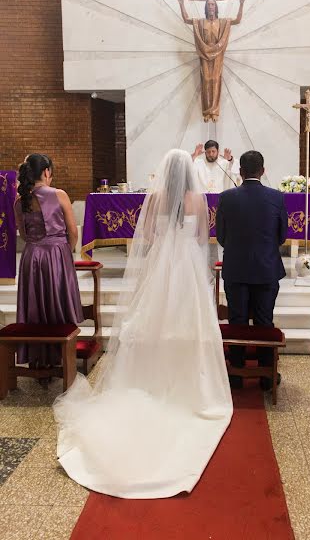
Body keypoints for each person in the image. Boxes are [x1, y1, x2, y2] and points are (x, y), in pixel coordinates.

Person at [53, 149, 233, 499]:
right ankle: (187, 382)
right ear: (189, 172)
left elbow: (146, 236)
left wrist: (165, 245)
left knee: (153, 323)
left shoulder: (158, 197)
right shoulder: (197, 200)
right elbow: (201, 240)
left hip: (162, 265)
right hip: (188, 269)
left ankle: (152, 379)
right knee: (188, 325)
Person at [216, 150, 288, 389]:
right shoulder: (276, 197)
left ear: (240, 171)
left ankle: (235, 374)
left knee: (237, 320)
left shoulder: (226, 198)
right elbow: (281, 236)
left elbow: (222, 237)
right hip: (266, 268)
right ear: (263, 171)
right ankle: (266, 375)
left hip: (236, 267)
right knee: (264, 320)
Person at [14, 153, 83, 370]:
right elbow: (73, 232)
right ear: (46, 172)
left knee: (35, 306)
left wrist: (38, 244)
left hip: (31, 256)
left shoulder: (20, 200)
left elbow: (23, 235)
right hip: (56, 254)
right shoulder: (59, 195)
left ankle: (37, 358)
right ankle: (60, 356)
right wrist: (63, 251)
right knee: (56, 303)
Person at [177, 0, 245, 122]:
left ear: (216, 7)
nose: (211, 7)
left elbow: (237, 20)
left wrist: (241, 4)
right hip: (205, 53)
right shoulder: (201, 22)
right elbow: (186, 19)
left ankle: (214, 111)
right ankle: (207, 111)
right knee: (206, 80)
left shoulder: (222, 22)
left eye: (213, 4)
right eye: (208, 5)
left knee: (215, 80)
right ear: (206, 8)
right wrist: (181, 3)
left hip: (218, 54)